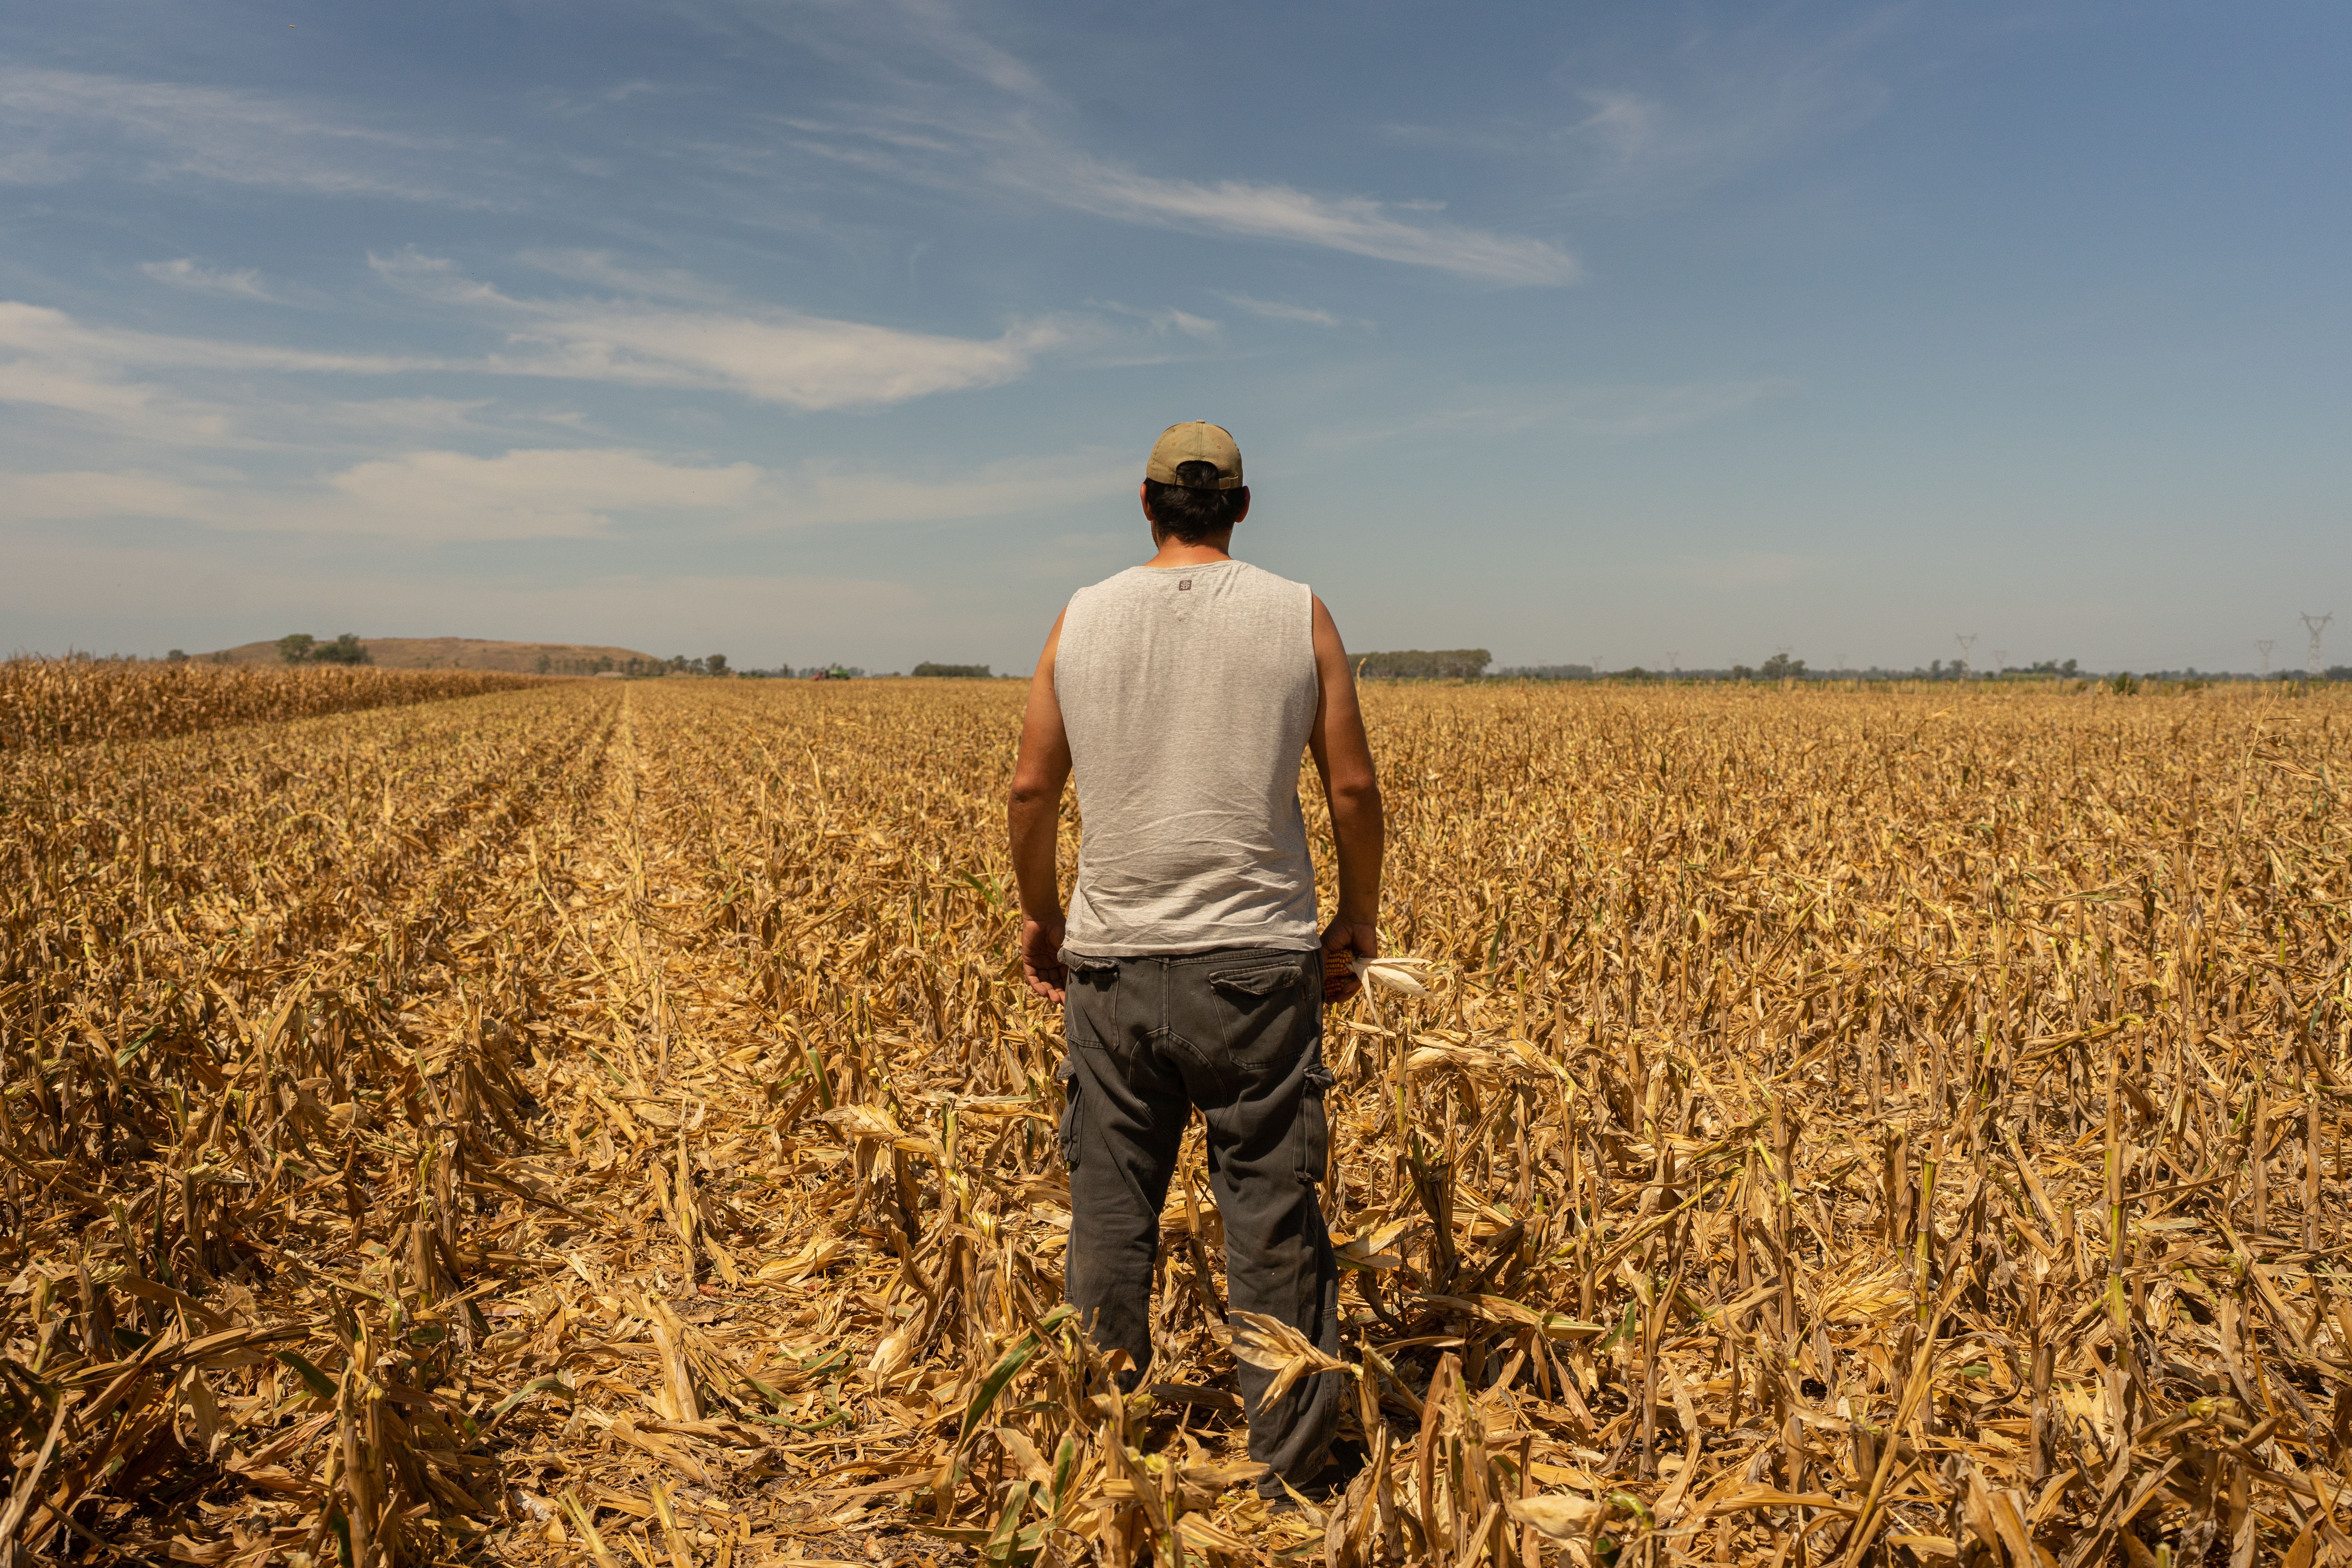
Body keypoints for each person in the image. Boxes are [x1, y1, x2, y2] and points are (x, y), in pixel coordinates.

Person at [1005, 419, 1385, 1503]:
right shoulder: (1296, 611)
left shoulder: (1081, 618)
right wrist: (1356, 919)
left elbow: (1033, 789)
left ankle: (1096, 1444)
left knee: (1111, 1208)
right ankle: (1292, 1470)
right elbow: (1351, 789)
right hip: (1258, 967)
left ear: (1144, 503)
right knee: (1270, 1209)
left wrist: (1045, 917)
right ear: (1245, 508)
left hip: (1116, 961)